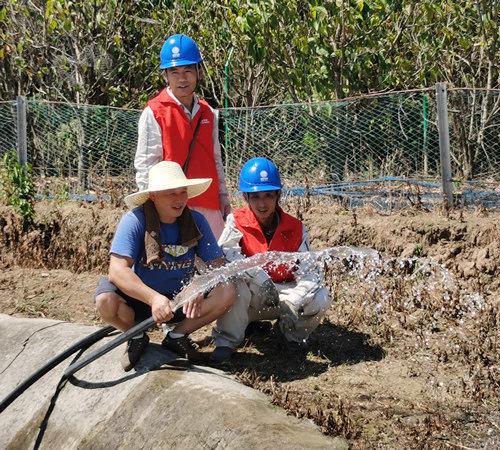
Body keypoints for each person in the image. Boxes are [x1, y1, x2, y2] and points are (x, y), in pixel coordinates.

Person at [94, 160, 236, 371]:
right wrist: (153, 299)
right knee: (105, 302)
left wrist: (199, 285)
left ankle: (177, 335)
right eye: (171, 193)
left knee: (227, 291)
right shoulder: (135, 221)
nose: (179, 200)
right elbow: (116, 270)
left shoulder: (196, 221)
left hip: (179, 300)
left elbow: (219, 267)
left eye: (183, 192)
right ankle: (135, 334)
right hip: (139, 301)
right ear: (154, 196)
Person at [211, 157, 331, 363]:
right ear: (246, 197)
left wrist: (295, 300)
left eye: (268, 195)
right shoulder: (235, 221)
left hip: (284, 297)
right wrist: (259, 278)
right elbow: (229, 256)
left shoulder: (296, 228)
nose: (262, 203)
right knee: (233, 283)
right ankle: (227, 342)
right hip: (252, 294)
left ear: (278, 195)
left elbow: (310, 271)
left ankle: (291, 336)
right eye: (255, 196)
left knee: (321, 296)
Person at [134, 33, 230, 239]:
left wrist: (223, 197)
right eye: (175, 72)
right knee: (175, 268)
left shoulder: (209, 113)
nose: (182, 78)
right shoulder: (154, 112)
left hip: (208, 205)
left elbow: (216, 159)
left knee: (217, 266)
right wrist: (150, 210)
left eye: (188, 70)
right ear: (165, 75)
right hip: (172, 208)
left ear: (199, 72)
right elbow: (145, 165)